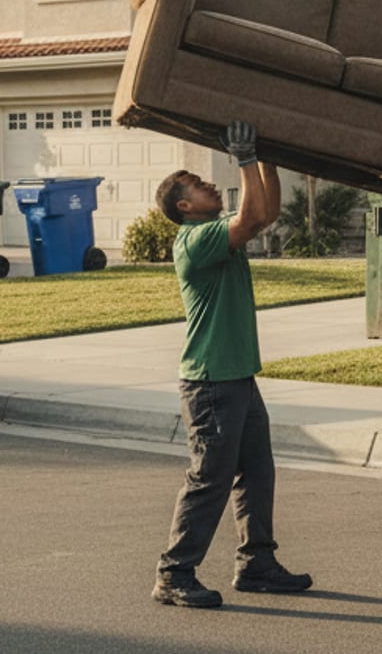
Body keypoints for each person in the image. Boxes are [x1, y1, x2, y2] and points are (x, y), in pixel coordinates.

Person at [152, 120, 312, 609]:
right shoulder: (196, 239)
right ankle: (174, 573)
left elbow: (265, 214)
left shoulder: (217, 231)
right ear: (184, 206)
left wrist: (268, 161)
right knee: (210, 479)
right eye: (198, 185)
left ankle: (256, 562)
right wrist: (246, 158)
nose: (207, 185)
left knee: (257, 471)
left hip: (236, 377)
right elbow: (251, 217)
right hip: (211, 383)